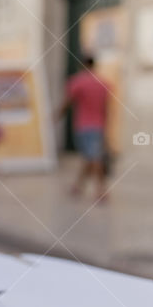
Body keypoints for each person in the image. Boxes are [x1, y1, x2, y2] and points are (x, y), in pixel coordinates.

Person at [56, 55, 110, 200]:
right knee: (89, 156)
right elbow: (106, 108)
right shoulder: (103, 83)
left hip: (84, 125)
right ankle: (78, 186)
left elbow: (67, 102)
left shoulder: (77, 81)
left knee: (94, 157)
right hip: (98, 124)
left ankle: (101, 189)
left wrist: (56, 116)